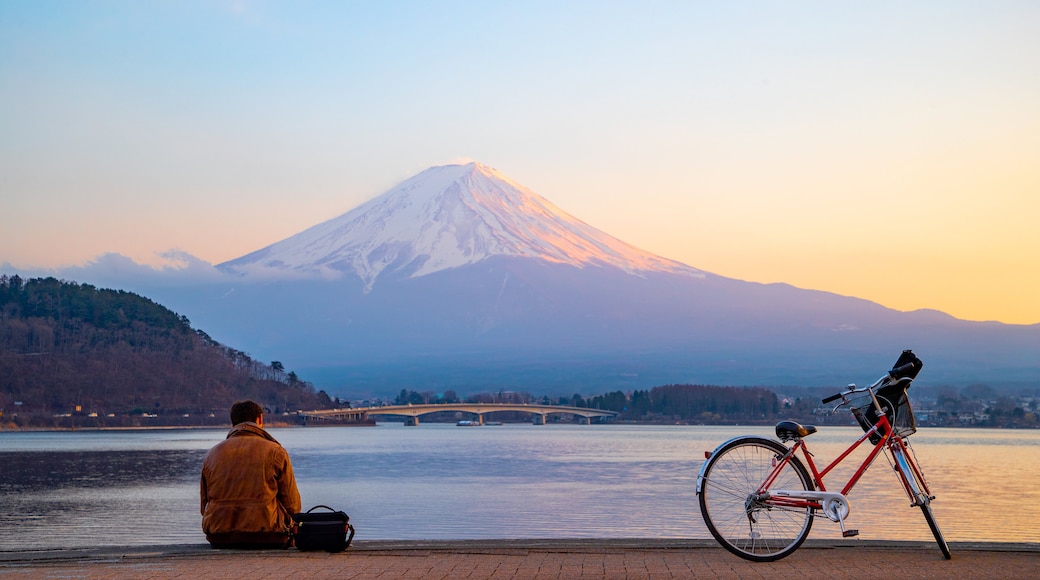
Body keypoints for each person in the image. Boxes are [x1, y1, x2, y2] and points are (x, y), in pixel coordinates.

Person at [200, 400, 302, 548]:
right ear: (260, 419)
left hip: (220, 536)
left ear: (233, 422)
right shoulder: (275, 451)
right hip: (269, 535)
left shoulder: (212, 454)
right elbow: (293, 506)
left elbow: (204, 505)